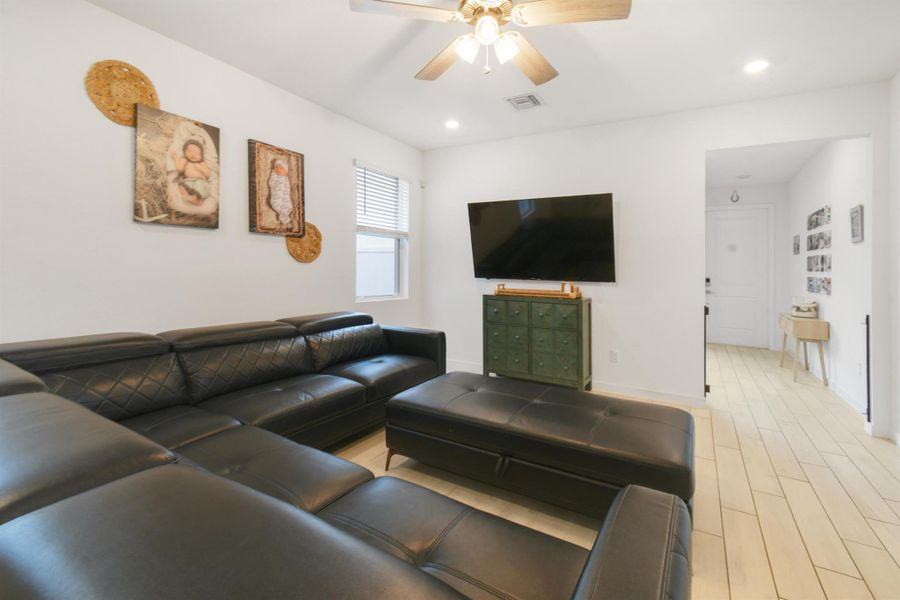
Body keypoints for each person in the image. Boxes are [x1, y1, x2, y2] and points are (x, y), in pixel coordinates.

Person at [170, 139, 211, 206]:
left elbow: (208, 175)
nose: (193, 154)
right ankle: (187, 196)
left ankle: (195, 198)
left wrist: (201, 169)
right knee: (181, 185)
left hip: (201, 181)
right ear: (184, 152)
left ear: (201, 155)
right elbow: (179, 169)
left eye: (197, 153)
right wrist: (176, 159)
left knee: (199, 185)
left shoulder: (202, 163)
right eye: (190, 151)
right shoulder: (185, 160)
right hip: (188, 181)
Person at [268, 158, 293, 226]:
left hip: (284, 195)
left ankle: (284, 216)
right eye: (276, 168)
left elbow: (287, 189)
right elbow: (271, 184)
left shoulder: (285, 178)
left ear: (286, 171)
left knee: (287, 205)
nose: (278, 170)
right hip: (277, 195)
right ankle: (285, 219)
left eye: (281, 168)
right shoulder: (274, 176)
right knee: (277, 204)